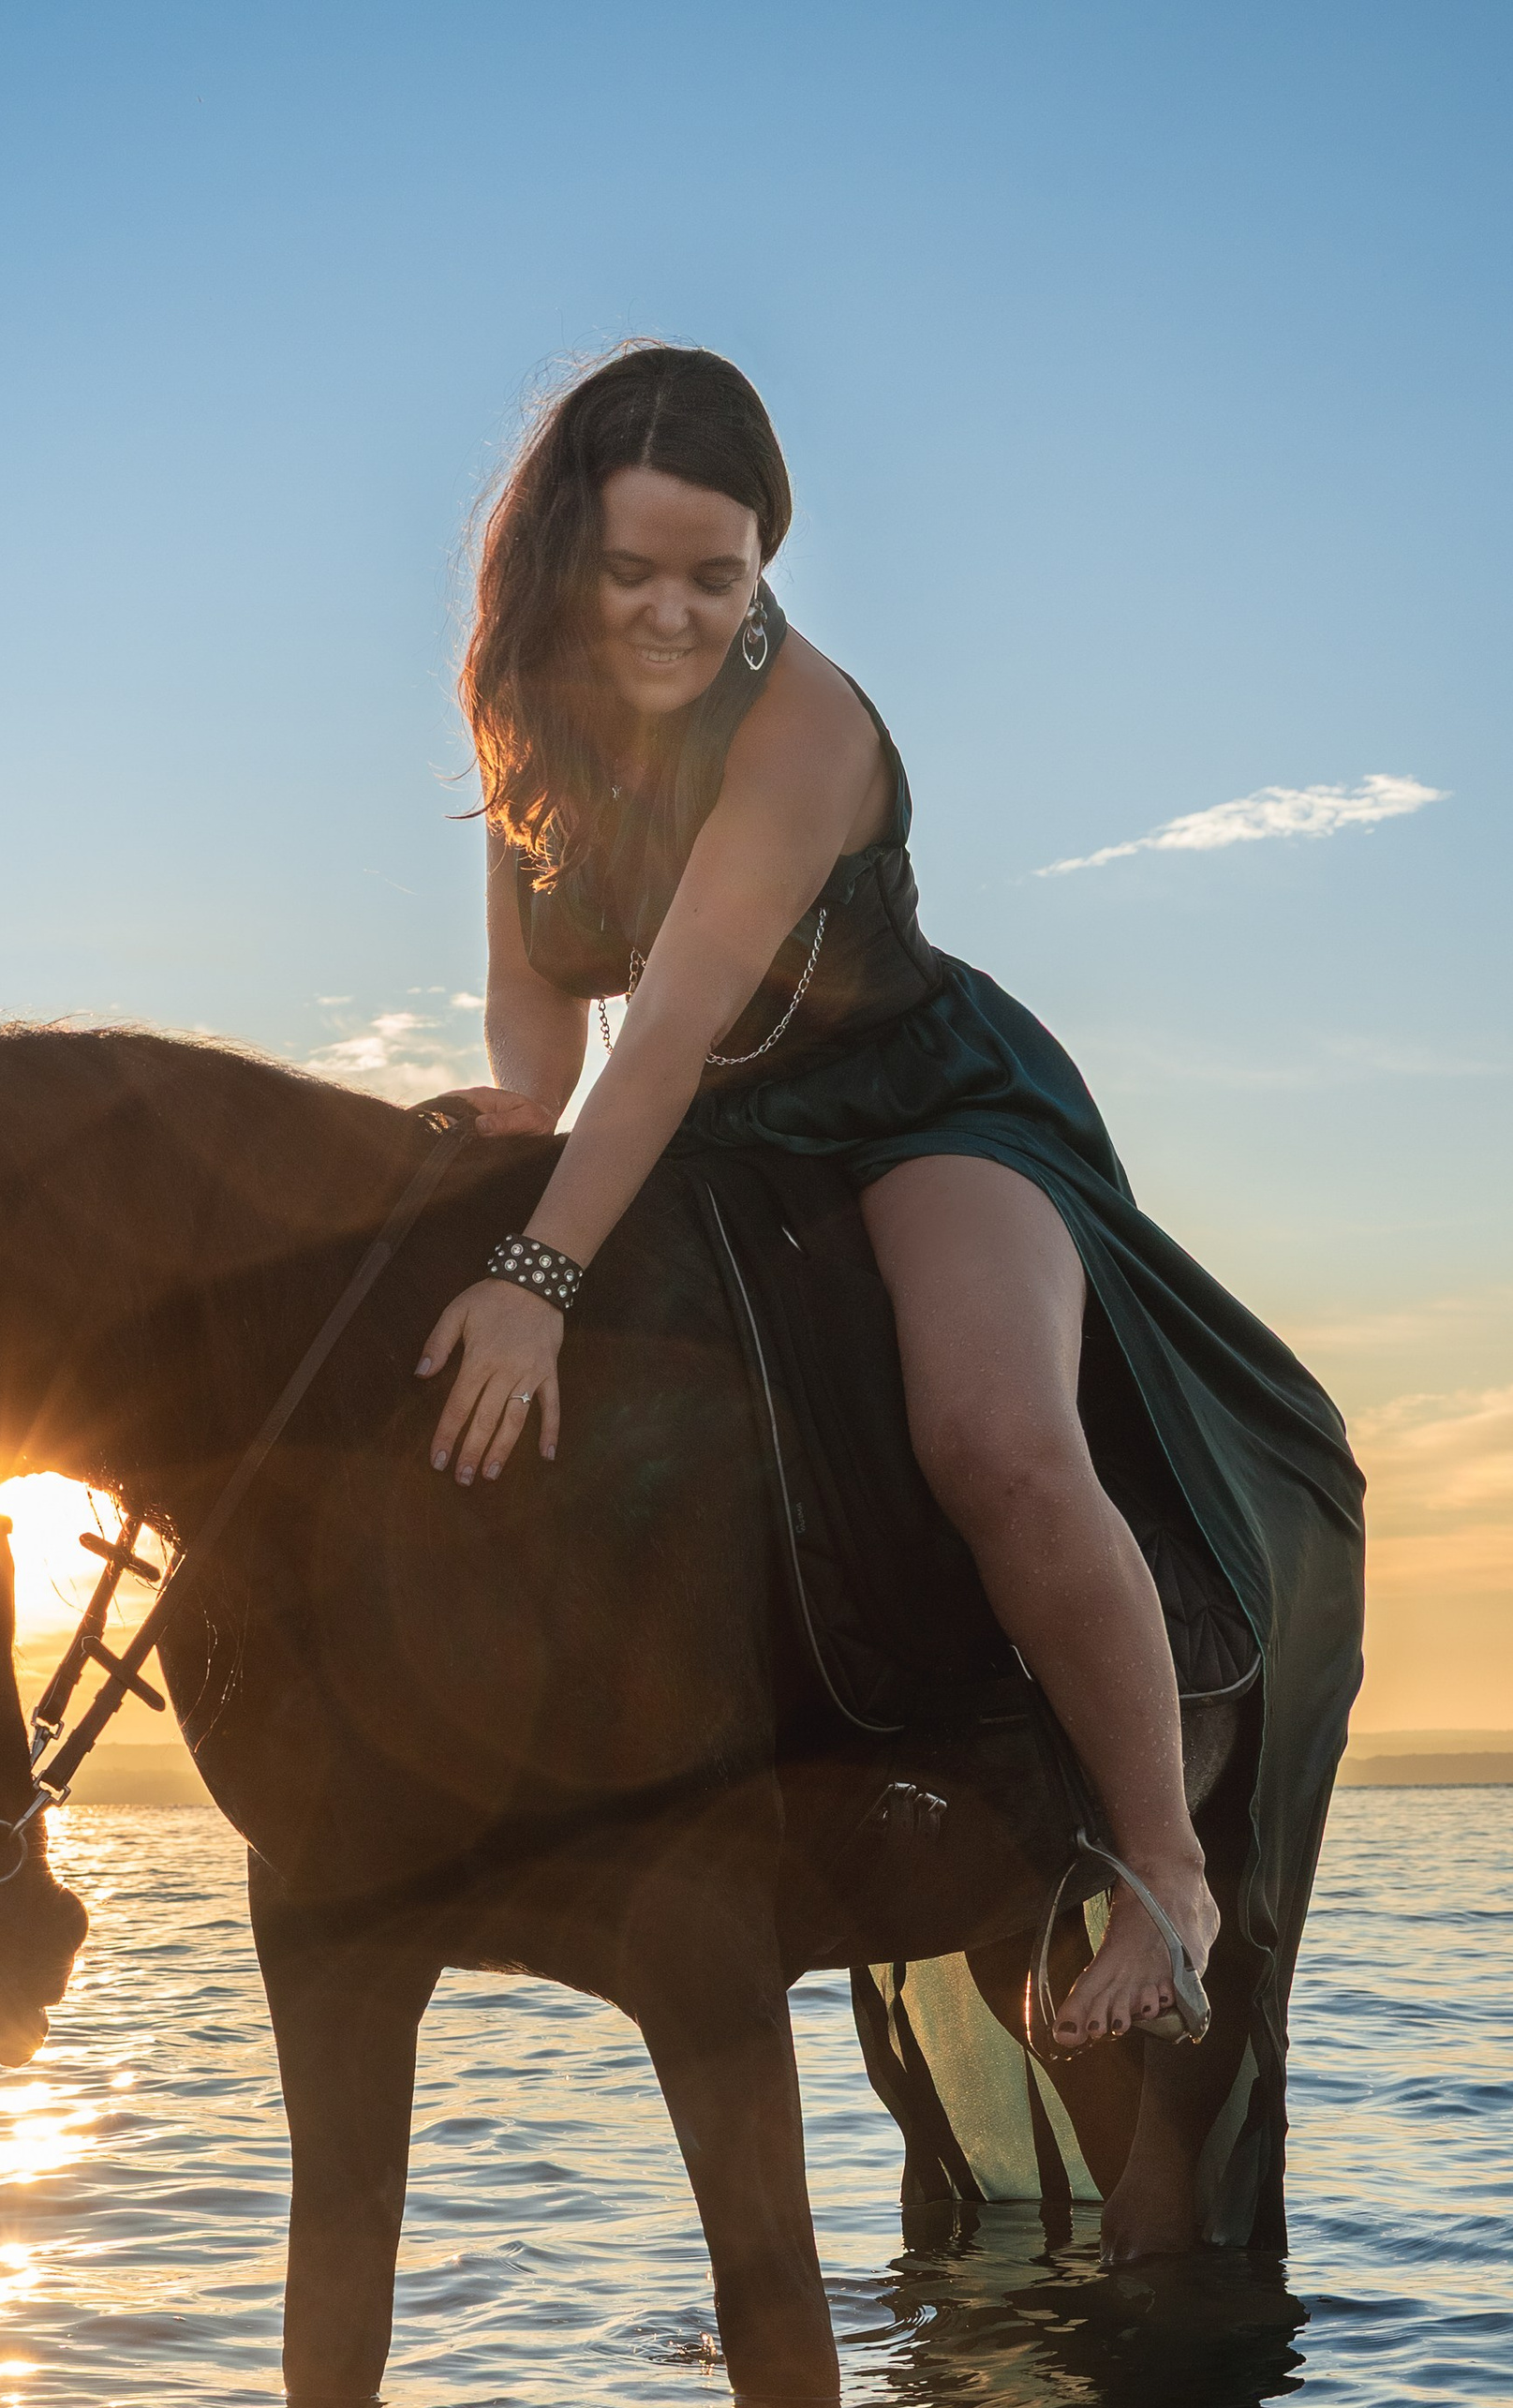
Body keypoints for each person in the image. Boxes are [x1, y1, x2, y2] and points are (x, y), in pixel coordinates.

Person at [420, 341, 1220, 2053]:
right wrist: (520, 1101)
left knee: (993, 1438)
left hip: (917, 1102)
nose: (672, 614)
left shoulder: (806, 727)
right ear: (567, 552)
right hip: (715, 1126)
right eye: (634, 570)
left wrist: (537, 1273)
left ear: (767, 561)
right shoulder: (524, 691)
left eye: (721, 576)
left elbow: (678, 1023)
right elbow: (546, 980)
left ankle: (1167, 1864)